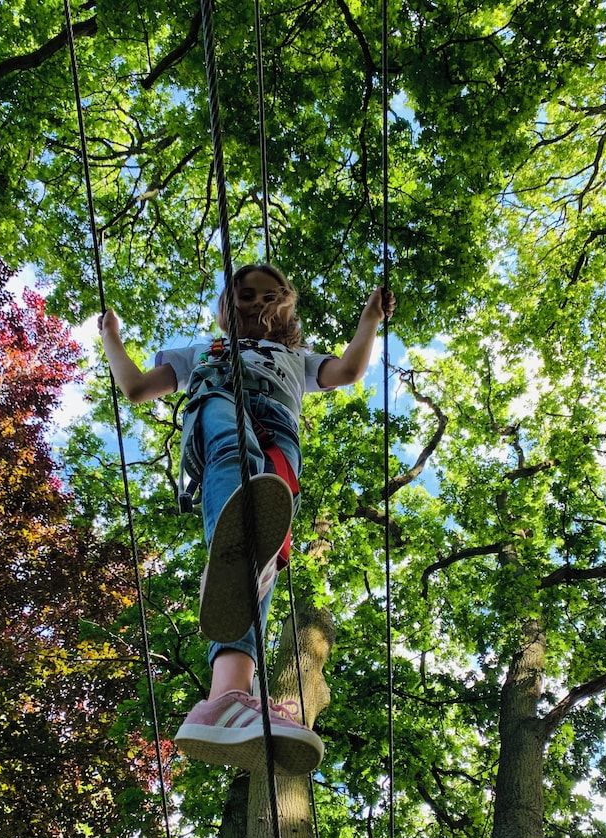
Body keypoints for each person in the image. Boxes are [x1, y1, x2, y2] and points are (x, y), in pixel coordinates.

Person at [100, 264, 395, 776]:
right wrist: (111, 338)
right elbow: (135, 388)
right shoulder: (200, 353)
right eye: (244, 295)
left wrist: (369, 318)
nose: (256, 302)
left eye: (268, 294)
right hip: (219, 405)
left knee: (267, 545)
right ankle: (230, 534)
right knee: (234, 455)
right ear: (226, 306)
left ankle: (227, 697)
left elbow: (347, 371)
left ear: (286, 304)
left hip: (280, 433)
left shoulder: (298, 358)